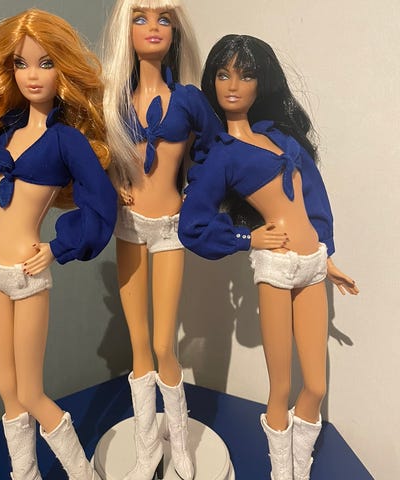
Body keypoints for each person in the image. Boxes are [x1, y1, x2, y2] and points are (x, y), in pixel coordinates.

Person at [179, 34, 359, 480]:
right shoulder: (220, 156)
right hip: (276, 268)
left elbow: (313, 198)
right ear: (212, 81)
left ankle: (300, 465)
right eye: (223, 75)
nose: (232, 85)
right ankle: (283, 471)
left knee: (314, 385)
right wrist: (247, 238)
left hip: (312, 265)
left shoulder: (279, 137)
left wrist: (327, 257)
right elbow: (192, 227)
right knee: (280, 387)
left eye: (245, 75)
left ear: (263, 83)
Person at [0, 9, 116, 480]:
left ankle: (81, 473)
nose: (32, 75)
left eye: (45, 63)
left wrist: (58, 248)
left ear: (63, 68)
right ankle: (25, 473)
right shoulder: (6, 131)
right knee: (7, 390)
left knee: (31, 392)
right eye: (21, 64)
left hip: (25, 273)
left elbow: (101, 204)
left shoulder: (66, 142)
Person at [101, 1, 222, 479]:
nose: (153, 27)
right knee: (138, 344)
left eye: (163, 19)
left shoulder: (189, 99)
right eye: (140, 18)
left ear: (175, 30)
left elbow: (214, 152)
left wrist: (195, 195)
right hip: (128, 227)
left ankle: (181, 443)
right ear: (125, 31)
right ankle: (147, 448)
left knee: (164, 344)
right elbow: (98, 154)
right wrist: (114, 182)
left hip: (170, 227)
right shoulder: (114, 99)